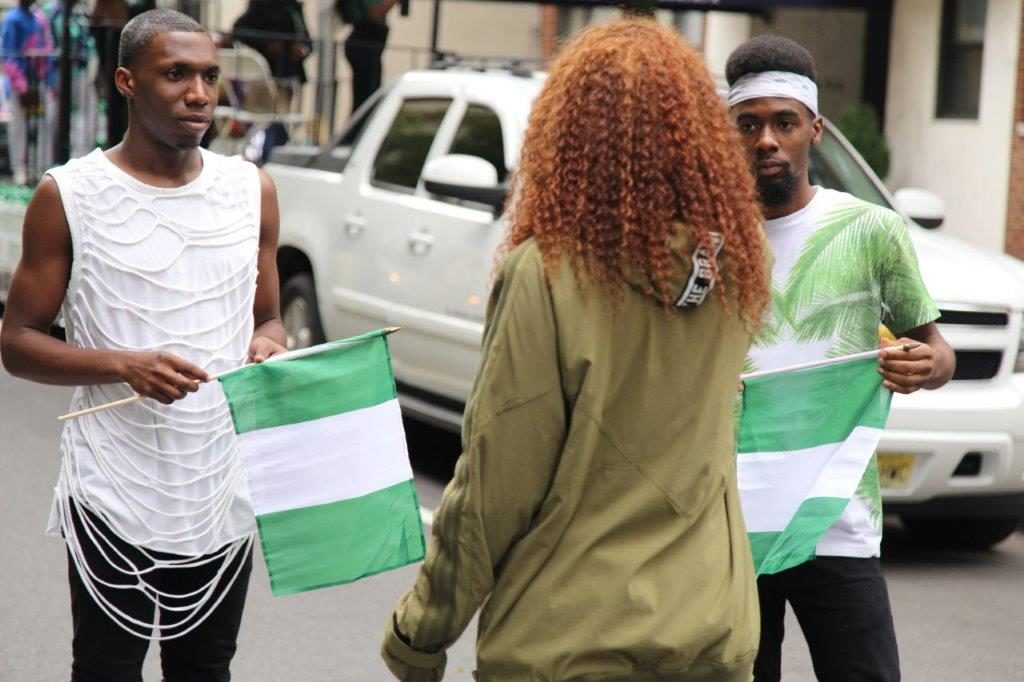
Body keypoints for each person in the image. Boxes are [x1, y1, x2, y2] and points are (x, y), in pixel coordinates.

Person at [381, 19, 771, 681]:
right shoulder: (737, 263)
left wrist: (420, 633)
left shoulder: (549, 275)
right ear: (701, 137)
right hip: (711, 627)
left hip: (567, 639)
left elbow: (496, 482)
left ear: (569, 138)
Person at [0, 9, 286, 681]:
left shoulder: (252, 191)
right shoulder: (68, 195)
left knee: (206, 669)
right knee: (104, 669)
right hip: (112, 488)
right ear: (127, 81)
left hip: (218, 484)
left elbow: (268, 319)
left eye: (211, 76)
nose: (200, 94)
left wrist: (270, 345)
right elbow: (15, 342)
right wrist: (122, 364)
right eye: (176, 74)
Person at [725, 35, 956, 682]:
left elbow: (937, 350)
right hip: (729, 525)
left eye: (784, 122)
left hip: (837, 515)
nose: (766, 139)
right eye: (749, 124)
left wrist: (924, 364)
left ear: (814, 130)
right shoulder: (707, 243)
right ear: (729, 133)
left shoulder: (870, 230)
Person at [2, 0, 56, 185]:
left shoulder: (39, 17)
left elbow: (47, 48)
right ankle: (19, 168)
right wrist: (20, 84)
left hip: (38, 83)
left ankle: (42, 166)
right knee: (19, 126)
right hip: (21, 85)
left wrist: (48, 80)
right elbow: (8, 54)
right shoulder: (12, 19)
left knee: (42, 123)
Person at [43, 0, 98, 159]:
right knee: (54, 117)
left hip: (79, 72)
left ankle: (81, 155)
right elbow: (51, 43)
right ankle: (51, 158)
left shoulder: (79, 11)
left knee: (87, 113)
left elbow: (88, 42)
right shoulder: (52, 11)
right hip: (58, 73)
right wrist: (51, 78)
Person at [337, 0, 398, 113]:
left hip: (370, 45)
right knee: (365, 98)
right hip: (364, 43)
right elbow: (374, 13)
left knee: (370, 94)